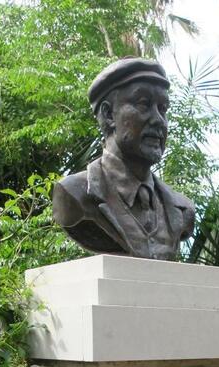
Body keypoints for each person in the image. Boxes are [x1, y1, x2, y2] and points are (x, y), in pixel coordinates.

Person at [53, 58, 195, 260]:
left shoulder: (183, 209)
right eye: (144, 104)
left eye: (163, 108)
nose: (158, 120)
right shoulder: (74, 193)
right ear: (109, 114)